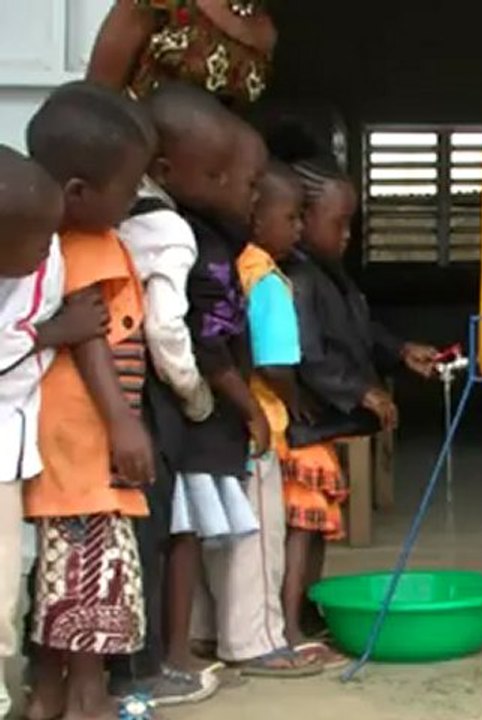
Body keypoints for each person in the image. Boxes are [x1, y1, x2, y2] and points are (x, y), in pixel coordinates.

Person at [22, 81, 157, 720]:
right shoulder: (87, 245)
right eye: (128, 189)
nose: (135, 199)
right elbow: (92, 342)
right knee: (95, 568)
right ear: (79, 193)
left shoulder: (50, 245)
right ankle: (88, 699)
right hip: (89, 448)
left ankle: (49, 696)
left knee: (58, 573)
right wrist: (125, 424)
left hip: (65, 447)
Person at [280, 158, 439, 663]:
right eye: (339, 223)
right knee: (303, 528)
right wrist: (361, 392)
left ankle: (306, 613)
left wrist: (398, 350)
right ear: (301, 220)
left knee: (318, 524)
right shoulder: (299, 280)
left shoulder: (332, 276)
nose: (347, 235)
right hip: (304, 429)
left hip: (322, 430)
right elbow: (308, 354)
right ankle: (287, 627)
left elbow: (359, 330)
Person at [112, 81, 230, 706]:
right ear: (160, 168)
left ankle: (115, 666)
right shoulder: (169, 229)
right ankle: (143, 666)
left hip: (103, 395)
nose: (221, 186)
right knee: (149, 536)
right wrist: (196, 397)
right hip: (151, 402)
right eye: (213, 173)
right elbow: (165, 328)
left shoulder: (113, 218)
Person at [192, 158, 322, 678]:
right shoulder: (266, 280)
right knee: (258, 539)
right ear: (258, 219)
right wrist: (291, 403)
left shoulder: (226, 267)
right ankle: (260, 641)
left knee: (214, 538)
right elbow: (275, 361)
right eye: (291, 217)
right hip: (258, 424)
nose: (297, 229)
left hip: (216, 423)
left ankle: (208, 632)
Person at [0, 147, 111, 719]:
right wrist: (50, 334)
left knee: (9, 587)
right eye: (35, 239)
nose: (50, 245)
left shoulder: (44, 257)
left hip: (15, 457)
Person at [87, 0, 276, 108]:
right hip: (143, 162)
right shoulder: (157, 3)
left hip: (223, 169)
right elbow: (96, 97)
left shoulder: (267, 14)